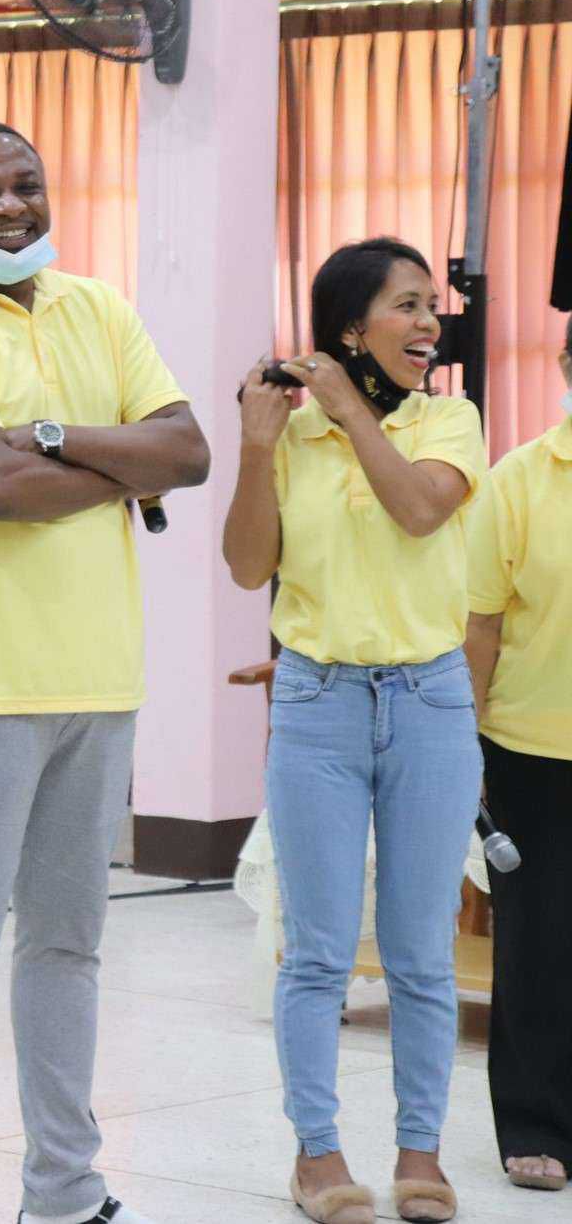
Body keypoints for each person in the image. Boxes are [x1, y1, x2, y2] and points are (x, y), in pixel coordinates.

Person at [0, 121, 209, 1224]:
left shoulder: (97, 308)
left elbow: (190, 452)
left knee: (68, 944)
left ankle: (63, 1193)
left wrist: (50, 435)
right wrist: (117, 463)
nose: (9, 206)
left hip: (98, 679)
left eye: (25, 184)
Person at [221, 238, 487, 1224]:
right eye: (406, 305)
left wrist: (345, 411)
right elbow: (247, 567)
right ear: (348, 328)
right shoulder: (292, 440)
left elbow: (419, 511)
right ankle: (316, 1155)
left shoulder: (450, 421)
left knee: (419, 952)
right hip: (316, 702)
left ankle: (420, 1152)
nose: (428, 323)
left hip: (429, 701)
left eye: (430, 305)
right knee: (318, 952)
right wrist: (257, 446)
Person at [464, 311, 572, 1196]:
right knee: (538, 943)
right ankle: (536, 1121)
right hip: (535, 748)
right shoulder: (520, 480)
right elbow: (481, 626)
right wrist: (464, 746)